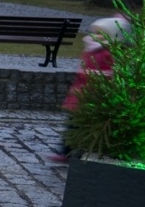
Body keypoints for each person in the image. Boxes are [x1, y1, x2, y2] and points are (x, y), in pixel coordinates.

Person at [50, 16, 129, 164]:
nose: (95, 36)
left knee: (84, 126)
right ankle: (66, 151)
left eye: (100, 33)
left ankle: (79, 151)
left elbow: (112, 73)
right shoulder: (91, 49)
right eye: (95, 32)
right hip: (80, 94)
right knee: (72, 124)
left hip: (95, 95)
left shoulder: (109, 52)